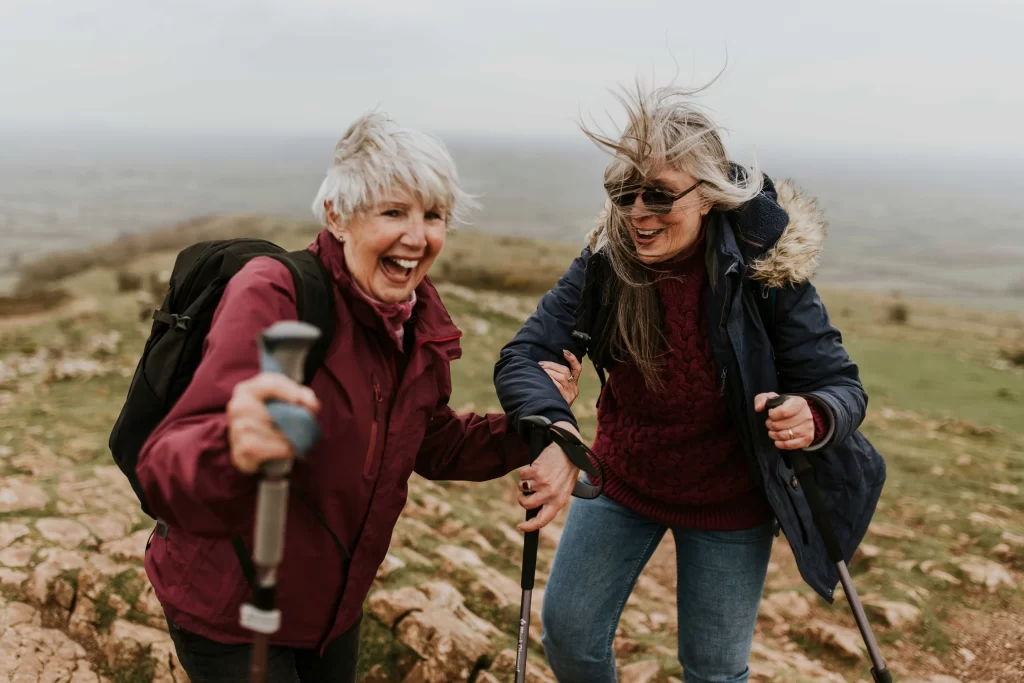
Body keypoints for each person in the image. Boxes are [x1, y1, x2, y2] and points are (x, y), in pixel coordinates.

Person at [494, 84, 885, 683]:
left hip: (730, 501)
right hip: (624, 478)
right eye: (624, 194)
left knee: (714, 671)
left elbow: (841, 385)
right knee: (569, 638)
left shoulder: (766, 271)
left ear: (708, 196)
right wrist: (556, 431)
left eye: (659, 195)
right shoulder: (606, 261)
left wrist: (815, 414)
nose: (638, 213)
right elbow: (524, 355)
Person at [136, 112, 532, 682]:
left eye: (433, 215)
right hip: (232, 612)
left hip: (332, 612)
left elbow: (433, 442)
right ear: (337, 216)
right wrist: (232, 443)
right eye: (393, 212)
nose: (417, 237)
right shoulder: (276, 294)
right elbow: (169, 461)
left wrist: (532, 430)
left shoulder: (416, 322)